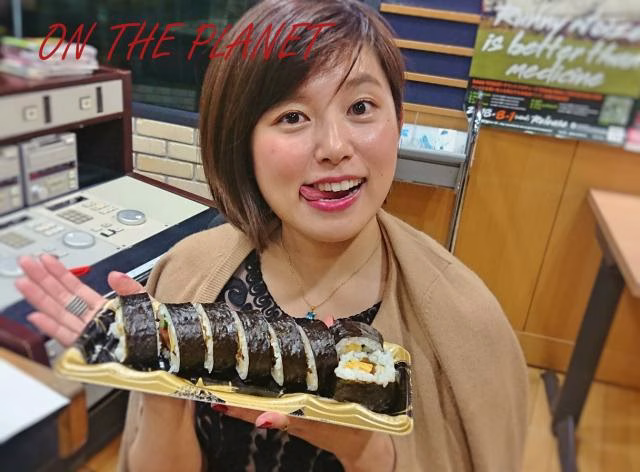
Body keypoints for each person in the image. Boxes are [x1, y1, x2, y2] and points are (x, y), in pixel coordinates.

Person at [15, 1, 528, 470]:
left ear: (397, 120)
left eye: (360, 107)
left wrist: (367, 452)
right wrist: (161, 392)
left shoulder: (465, 325)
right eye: (292, 116)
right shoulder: (186, 276)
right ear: (243, 143)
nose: (334, 147)